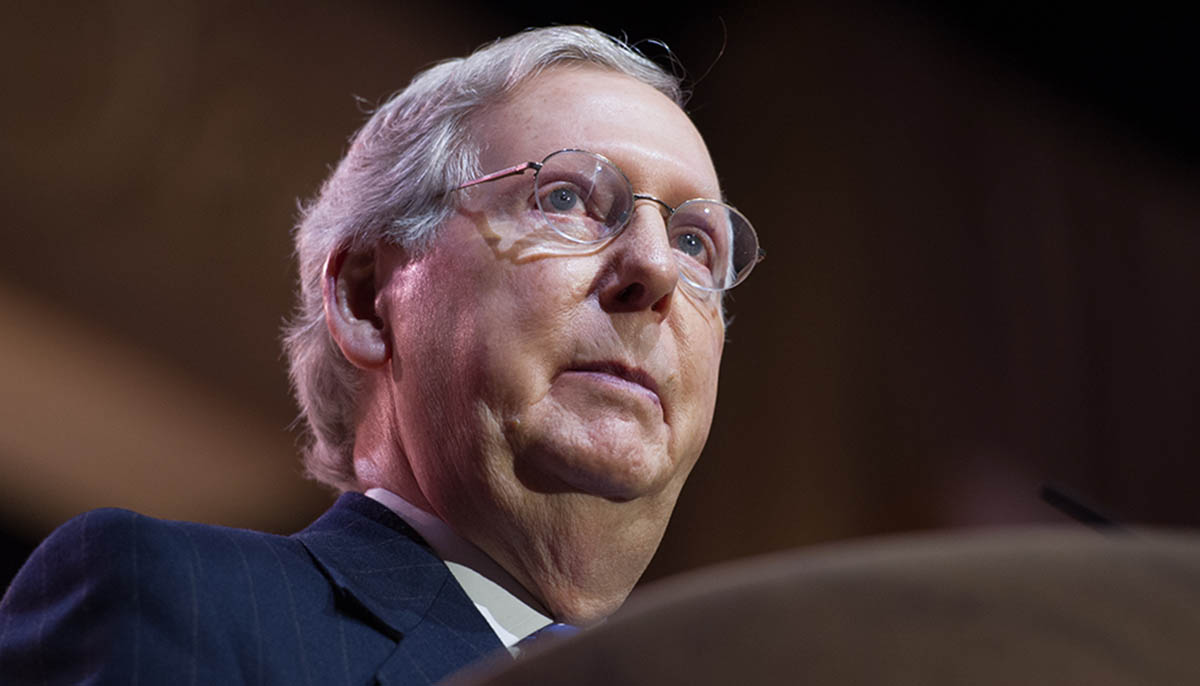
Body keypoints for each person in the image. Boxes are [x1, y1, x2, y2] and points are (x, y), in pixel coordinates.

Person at [0, 25, 760, 684]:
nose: (656, 269)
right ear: (368, 297)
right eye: (564, 198)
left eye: (697, 243)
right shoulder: (181, 602)